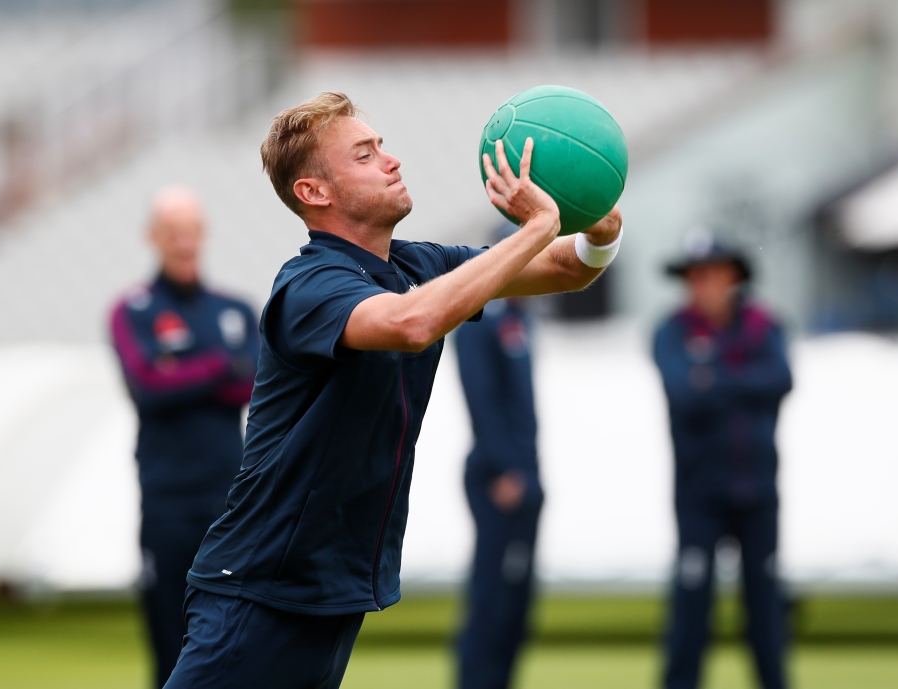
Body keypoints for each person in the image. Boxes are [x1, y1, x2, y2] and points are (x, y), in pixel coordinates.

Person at [164, 92, 623, 689]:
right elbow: (410, 325)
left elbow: (569, 268)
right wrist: (537, 226)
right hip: (261, 588)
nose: (391, 160)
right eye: (364, 154)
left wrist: (600, 223)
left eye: (381, 145)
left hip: (327, 589)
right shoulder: (309, 285)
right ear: (314, 193)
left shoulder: (417, 267)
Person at [108, 187, 259, 689]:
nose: (183, 242)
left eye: (190, 230)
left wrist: (185, 368)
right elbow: (148, 386)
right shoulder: (133, 309)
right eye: (172, 232)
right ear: (153, 237)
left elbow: (255, 384)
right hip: (167, 501)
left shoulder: (236, 308)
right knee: (170, 644)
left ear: (203, 234)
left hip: (229, 502)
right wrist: (219, 363)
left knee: (238, 641)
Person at [652, 232, 793, 689]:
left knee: (766, 609)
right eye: (695, 275)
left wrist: (713, 376)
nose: (703, 283)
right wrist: (741, 380)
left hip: (758, 490)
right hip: (699, 493)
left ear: (734, 276)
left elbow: (781, 379)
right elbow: (684, 393)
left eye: (712, 273)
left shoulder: (763, 324)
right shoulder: (671, 330)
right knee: (691, 606)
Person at [455, 224, 542, 689]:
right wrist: (506, 467)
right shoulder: (481, 317)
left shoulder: (520, 320)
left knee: (517, 600)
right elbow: (482, 399)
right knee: (491, 598)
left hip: (526, 477)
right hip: (498, 478)